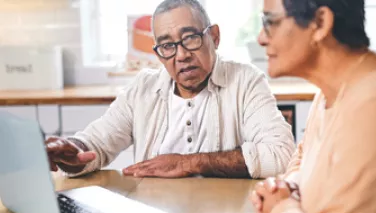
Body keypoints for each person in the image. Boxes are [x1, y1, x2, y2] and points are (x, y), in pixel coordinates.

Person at [46, 0, 295, 179]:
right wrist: (72, 151)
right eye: (167, 46)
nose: (182, 55)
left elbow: (281, 155)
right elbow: (96, 144)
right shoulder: (143, 89)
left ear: (215, 37)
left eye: (190, 38)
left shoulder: (246, 80)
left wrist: (191, 163)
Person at [251, 0, 376, 213]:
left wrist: (279, 209)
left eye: (271, 22)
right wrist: (286, 187)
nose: (261, 38)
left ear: (320, 23)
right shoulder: (329, 92)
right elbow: (302, 159)